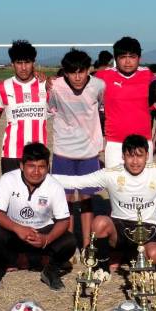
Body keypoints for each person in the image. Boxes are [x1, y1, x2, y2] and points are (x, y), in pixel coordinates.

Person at [52, 134, 156, 281]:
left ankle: (133, 255)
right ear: (123, 156)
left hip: (148, 229)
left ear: (147, 156)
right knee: (100, 222)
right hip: (119, 229)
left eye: (139, 156)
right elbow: (77, 182)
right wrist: (45, 177)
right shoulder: (111, 174)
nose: (135, 161)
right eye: (130, 156)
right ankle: (103, 268)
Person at [0, 143, 76, 297]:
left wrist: (47, 239)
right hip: (15, 233)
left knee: (69, 240)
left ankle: (50, 272)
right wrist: (18, 228)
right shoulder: (8, 179)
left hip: (41, 234)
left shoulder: (54, 186)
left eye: (41, 167)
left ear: (48, 167)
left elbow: (63, 220)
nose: (36, 172)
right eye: (31, 166)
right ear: (22, 166)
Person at [48, 49, 105, 249]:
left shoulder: (98, 85)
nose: (78, 77)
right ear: (65, 72)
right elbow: (50, 107)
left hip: (88, 152)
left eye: (82, 71)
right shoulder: (55, 86)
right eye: (73, 72)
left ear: (89, 70)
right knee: (66, 200)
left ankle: (88, 246)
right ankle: (70, 245)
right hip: (63, 151)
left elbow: (102, 108)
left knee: (87, 198)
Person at [0, 40, 50, 174]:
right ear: (12, 64)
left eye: (27, 62)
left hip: (39, 154)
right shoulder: (2, 87)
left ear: (33, 63)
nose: (23, 68)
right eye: (19, 63)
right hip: (12, 154)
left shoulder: (46, 85)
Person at [94, 37, 153, 167]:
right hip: (115, 143)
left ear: (139, 58)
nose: (127, 61)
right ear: (116, 58)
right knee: (115, 180)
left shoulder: (149, 75)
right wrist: (50, 80)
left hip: (143, 141)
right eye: (122, 57)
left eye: (132, 57)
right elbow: (78, 82)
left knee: (145, 180)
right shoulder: (102, 76)